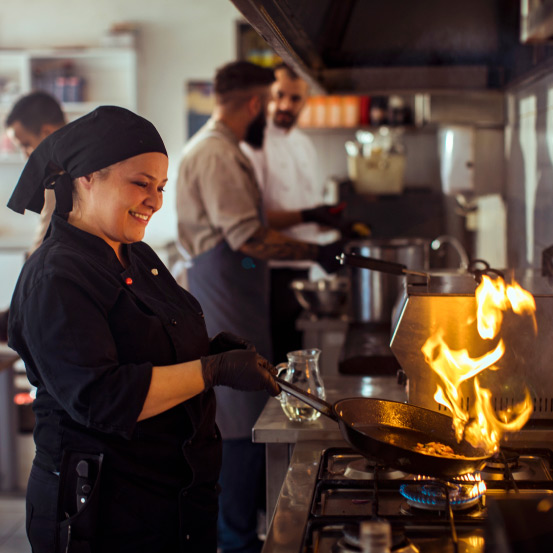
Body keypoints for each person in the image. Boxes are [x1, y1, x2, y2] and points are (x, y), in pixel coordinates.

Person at [6, 105, 279, 553]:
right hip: (103, 515)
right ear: (87, 177)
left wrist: (208, 351)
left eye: (160, 187)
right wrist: (212, 370)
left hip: (169, 505)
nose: (155, 200)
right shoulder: (56, 277)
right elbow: (103, 397)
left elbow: (147, 346)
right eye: (140, 183)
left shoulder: (136, 256)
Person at [176, 61, 343, 553]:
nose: (270, 113)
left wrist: (312, 225)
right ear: (255, 103)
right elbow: (247, 236)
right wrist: (314, 251)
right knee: (237, 414)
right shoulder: (216, 154)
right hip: (224, 293)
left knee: (247, 408)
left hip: (237, 291)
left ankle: (239, 533)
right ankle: (235, 540)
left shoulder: (225, 150)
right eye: (269, 103)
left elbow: (252, 223)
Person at [241, 63, 344, 363]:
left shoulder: (304, 145)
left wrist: (333, 226)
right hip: (265, 274)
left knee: (298, 358)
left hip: (303, 271)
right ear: (267, 95)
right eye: (279, 95)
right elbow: (253, 220)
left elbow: (306, 211)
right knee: (273, 363)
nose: (285, 105)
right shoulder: (252, 145)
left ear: (306, 100)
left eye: (295, 99)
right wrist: (311, 215)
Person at [6, 90, 67, 253]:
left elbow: (43, 245)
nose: (25, 155)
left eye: (26, 145)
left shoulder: (62, 179)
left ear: (47, 133)